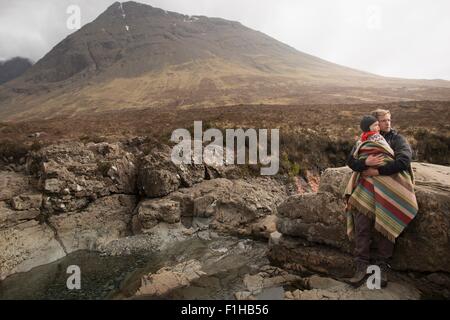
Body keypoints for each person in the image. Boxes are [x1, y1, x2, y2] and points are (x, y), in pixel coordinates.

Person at [344, 109, 418, 288]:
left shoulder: (396, 139)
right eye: (383, 121)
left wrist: (377, 171)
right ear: (374, 123)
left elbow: (403, 161)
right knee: (362, 226)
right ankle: (361, 267)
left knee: (387, 225)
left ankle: (382, 268)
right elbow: (351, 161)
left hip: (389, 191)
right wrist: (366, 163)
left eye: (389, 120)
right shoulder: (364, 139)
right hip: (366, 190)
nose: (387, 123)